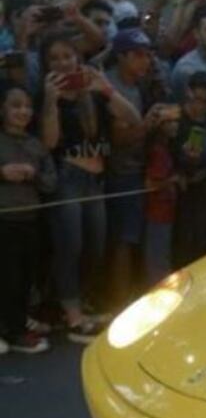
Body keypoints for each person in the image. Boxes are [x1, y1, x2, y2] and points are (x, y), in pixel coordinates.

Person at [39, 31, 142, 343]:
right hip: (67, 179)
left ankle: (79, 304)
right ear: (46, 64)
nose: (63, 63)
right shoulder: (47, 96)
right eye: (54, 58)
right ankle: (72, 314)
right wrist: (50, 101)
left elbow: (134, 118)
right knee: (69, 246)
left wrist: (107, 90)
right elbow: (49, 143)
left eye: (67, 56)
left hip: (96, 181)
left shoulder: (93, 91)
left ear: (78, 59)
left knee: (95, 246)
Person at [0, 82, 57, 354]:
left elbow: (51, 182)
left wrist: (34, 175)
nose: (23, 111)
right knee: (7, 278)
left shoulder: (36, 145)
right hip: (4, 219)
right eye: (15, 105)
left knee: (24, 277)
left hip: (30, 219)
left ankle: (17, 324)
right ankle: (11, 331)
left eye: (27, 106)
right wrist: (3, 173)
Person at [103, 28, 154, 309]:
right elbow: (118, 137)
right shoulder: (112, 86)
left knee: (132, 238)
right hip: (118, 173)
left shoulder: (137, 85)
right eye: (138, 55)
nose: (145, 60)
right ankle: (119, 302)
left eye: (147, 54)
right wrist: (148, 124)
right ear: (121, 56)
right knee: (122, 240)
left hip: (135, 169)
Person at [172, 71, 206, 268]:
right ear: (188, 93)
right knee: (180, 239)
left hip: (203, 184)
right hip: (178, 188)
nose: (200, 106)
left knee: (200, 236)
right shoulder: (176, 117)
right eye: (196, 99)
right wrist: (181, 166)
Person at [143, 110, 179, 285]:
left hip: (166, 211)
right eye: (169, 122)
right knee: (157, 257)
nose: (175, 125)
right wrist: (173, 180)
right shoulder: (158, 151)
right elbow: (150, 184)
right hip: (157, 212)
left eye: (176, 121)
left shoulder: (165, 149)